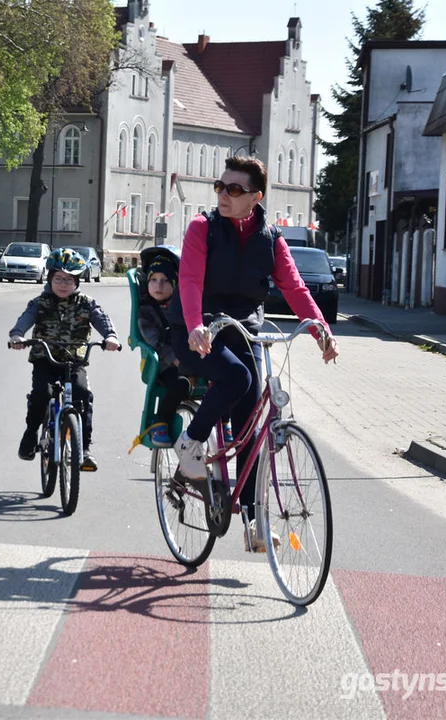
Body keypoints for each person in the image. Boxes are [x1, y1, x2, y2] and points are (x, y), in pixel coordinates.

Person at [171, 156, 339, 552]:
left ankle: (253, 523)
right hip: (196, 330)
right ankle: (190, 444)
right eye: (220, 186)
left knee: (250, 424)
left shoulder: (271, 238)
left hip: (244, 330)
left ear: (255, 197)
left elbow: (295, 288)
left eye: (234, 189)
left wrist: (320, 328)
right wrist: (195, 324)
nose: (223, 195)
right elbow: (190, 278)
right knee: (238, 378)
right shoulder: (203, 228)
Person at [9, 248, 121, 472]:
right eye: (58, 278)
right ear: (50, 278)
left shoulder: (86, 303)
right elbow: (26, 319)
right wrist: (17, 335)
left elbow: (101, 319)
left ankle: (85, 449)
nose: (63, 284)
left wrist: (110, 337)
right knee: (43, 393)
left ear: (77, 281)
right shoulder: (40, 302)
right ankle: (31, 433)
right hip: (45, 358)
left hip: (74, 361)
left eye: (69, 280)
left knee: (82, 395)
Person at [136, 250, 193, 448]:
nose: (158, 286)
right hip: (161, 365)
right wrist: (174, 358)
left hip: (188, 359)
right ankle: (159, 422)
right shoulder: (146, 311)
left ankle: (224, 422)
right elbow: (154, 341)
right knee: (181, 384)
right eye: (154, 280)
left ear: (175, 284)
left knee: (223, 374)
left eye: (165, 281)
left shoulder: (183, 306)